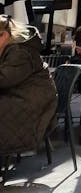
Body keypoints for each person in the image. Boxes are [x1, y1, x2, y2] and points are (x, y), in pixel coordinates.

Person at [0, 15, 57, 157]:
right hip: (25, 94)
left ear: (4, 35)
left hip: (33, 101)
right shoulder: (12, 48)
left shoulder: (19, 51)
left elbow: (5, 79)